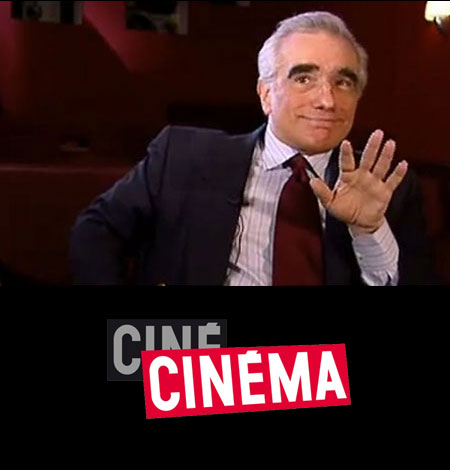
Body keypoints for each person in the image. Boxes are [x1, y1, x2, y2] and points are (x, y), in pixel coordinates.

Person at [70, 11, 437, 285]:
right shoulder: (182, 157)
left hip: (320, 364)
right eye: (304, 78)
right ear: (266, 94)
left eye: (343, 82)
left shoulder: (389, 188)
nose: (327, 100)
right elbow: (96, 230)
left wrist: (369, 231)